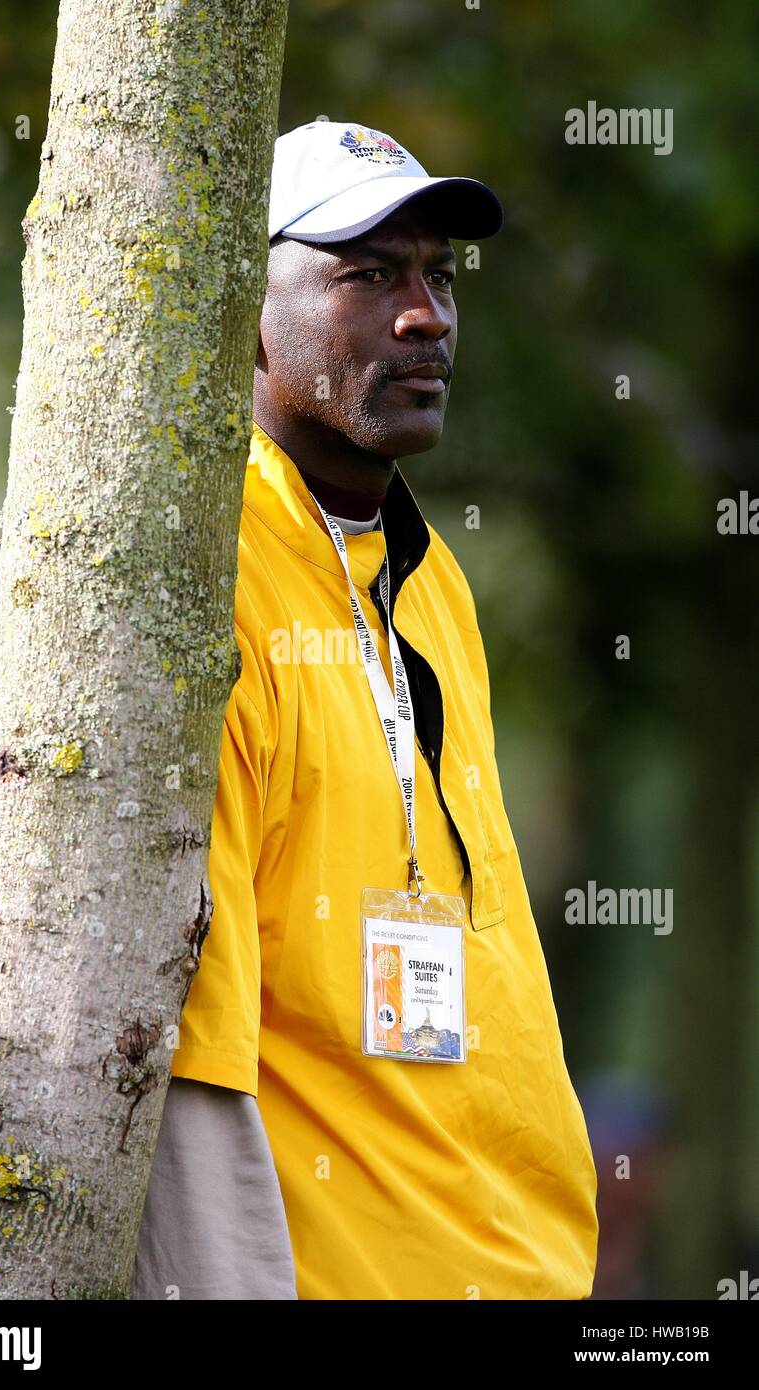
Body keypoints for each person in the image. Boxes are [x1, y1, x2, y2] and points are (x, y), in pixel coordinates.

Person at [131, 120, 599, 1301]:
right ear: (242, 304)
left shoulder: (434, 582)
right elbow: (196, 1048)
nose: (424, 315)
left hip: (527, 1269)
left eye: (437, 275)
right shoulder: (203, 586)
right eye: (366, 273)